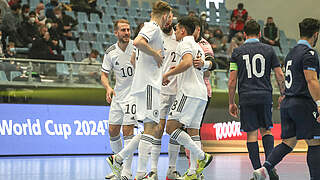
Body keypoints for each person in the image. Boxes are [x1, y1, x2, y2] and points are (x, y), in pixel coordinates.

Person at [106, 2, 172, 179]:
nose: (170, 20)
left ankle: (120, 159)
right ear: (164, 15)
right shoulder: (153, 27)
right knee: (151, 127)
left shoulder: (150, 29)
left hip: (145, 84)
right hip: (149, 86)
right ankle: (140, 172)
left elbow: (134, 59)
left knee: (148, 129)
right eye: (170, 16)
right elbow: (138, 42)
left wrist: (149, 68)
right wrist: (155, 55)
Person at [253, 18, 320, 180]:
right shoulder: (309, 53)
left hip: (288, 103)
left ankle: (264, 169)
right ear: (316, 34)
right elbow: (311, 80)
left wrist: (284, 94)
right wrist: (319, 103)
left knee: (288, 142)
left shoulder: (291, 52)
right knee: (315, 142)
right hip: (302, 103)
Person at [228, 19, 285, 180]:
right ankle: (269, 168)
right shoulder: (269, 50)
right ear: (260, 34)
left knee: (251, 134)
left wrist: (231, 102)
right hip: (265, 95)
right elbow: (279, 74)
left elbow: (232, 81)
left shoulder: (237, 52)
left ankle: (258, 171)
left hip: (246, 97)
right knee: (266, 130)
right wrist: (282, 94)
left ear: (244, 34)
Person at [162, 16, 213, 180]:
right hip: (201, 94)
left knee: (170, 128)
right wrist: (176, 67)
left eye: (176, 29)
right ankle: (193, 172)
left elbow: (187, 63)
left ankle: (201, 156)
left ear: (183, 30)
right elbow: (196, 65)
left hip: (188, 92)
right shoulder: (197, 46)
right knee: (193, 131)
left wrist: (168, 74)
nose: (175, 32)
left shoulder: (184, 43)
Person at [146, 11, 182, 180]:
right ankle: (153, 170)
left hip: (178, 91)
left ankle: (172, 170)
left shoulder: (180, 37)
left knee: (175, 130)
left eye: (170, 19)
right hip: (160, 91)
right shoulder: (155, 36)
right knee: (158, 129)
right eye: (165, 19)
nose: (168, 21)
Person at [101, 19, 137, 180]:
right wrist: (108, 87)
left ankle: (127, 173)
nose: (127, 33)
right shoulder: (110, 52)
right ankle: (118, 168)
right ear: (116, 33)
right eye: (123, 30)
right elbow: (104, 74)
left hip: (134, 95)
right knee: (112, 131)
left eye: (128, 30)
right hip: (118, 95)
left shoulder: (137, 47)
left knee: (127, 131)